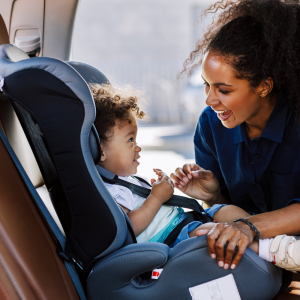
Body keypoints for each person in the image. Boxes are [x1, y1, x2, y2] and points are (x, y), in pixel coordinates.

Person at [91, 83, 300, 273]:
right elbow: (129, 227)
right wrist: (156, 198)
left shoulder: (127, 182)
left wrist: (205, 195)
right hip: (170, 240)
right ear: (100, 151)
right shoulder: (109, 191)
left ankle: (277, 243)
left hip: (185, 222)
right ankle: (277, 251)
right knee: (215, 232)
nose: (138, 147)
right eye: (130, 140)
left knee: (228, 212)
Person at [170, 0, 300, 273]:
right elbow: (227, 212)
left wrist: (249, 227)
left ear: (264, 86)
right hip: (255, 264)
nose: (209, 100)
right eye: (206, 85)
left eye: (223, 90)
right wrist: (213, 195)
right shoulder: (210, 126)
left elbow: (244, 225)